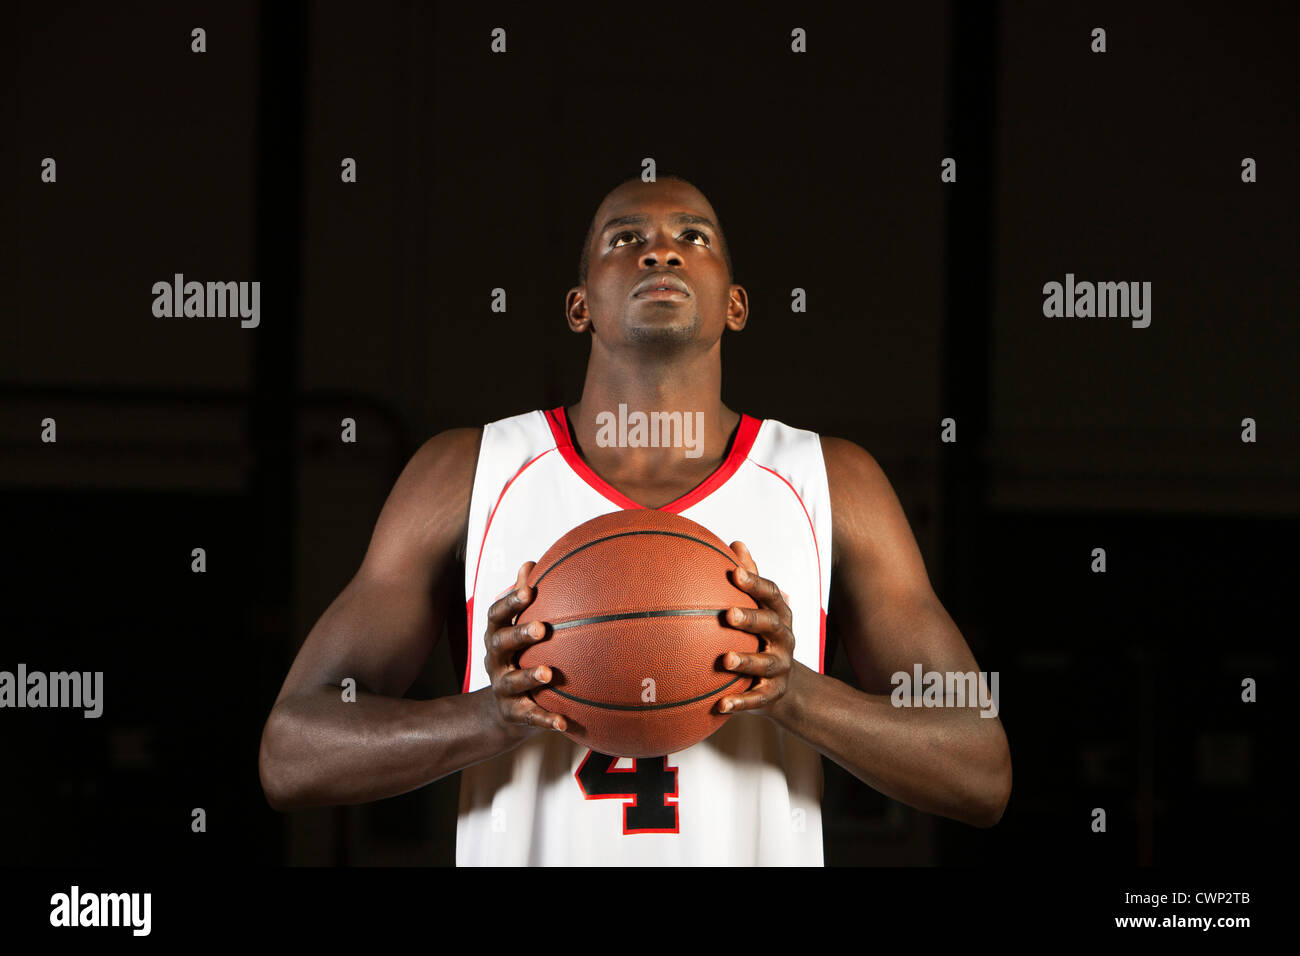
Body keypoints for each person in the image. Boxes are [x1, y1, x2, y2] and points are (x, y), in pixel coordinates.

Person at [258, 174, 1012, 865]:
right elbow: (292, 754)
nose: (661, 252)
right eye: (625, 240)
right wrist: (489, 717)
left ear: (736, 303)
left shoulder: (829, 480)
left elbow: (979, 769)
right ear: (579, 304)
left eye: (694, 237)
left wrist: (797, 693)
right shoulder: (467, 471)